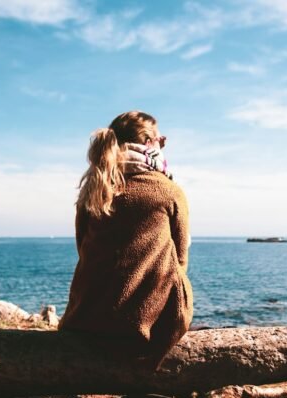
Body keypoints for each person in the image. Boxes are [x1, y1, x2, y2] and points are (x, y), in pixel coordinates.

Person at [59, 111, 193, 370]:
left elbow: (82, 248)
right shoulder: (169, 191)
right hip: (146, 328)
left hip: (87, 317)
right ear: (148, 143)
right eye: (161, 140)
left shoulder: (95, 190)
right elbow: (181, 259)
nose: (163, 146)